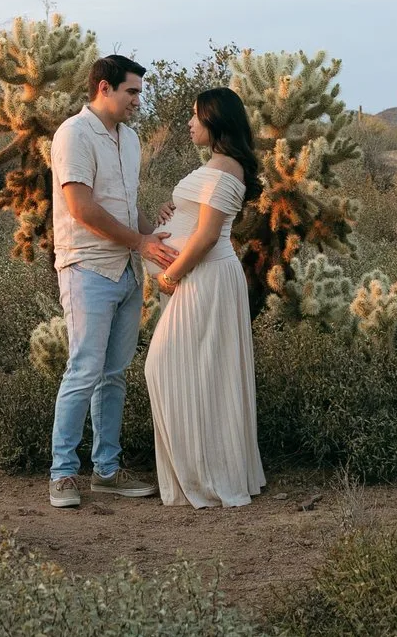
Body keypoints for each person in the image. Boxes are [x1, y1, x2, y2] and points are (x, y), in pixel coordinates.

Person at [47, 54, 173, 509]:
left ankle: (106, 470)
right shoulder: (74, 134)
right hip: (86, 267)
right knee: (83, 370)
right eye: (131, 92)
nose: (138, 101)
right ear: (104, 88)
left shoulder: (131, 139)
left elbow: (125, 204)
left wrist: (151, 240)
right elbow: (80, 206)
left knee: (114, 375)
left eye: (139, 92)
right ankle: (62, 474)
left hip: (126, 271)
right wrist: (139, 243)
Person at [143, 86, 267, 508]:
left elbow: (209, 235)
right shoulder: (218, 167)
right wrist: (172, 210)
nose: (189, 123)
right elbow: (198, 217)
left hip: (203, 279)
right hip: (201, 279)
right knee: (202, 371)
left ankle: (207, 475)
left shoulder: (225, 168)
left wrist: (170, 275)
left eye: (195, 115)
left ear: (214, 120)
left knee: (166, 366)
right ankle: (203, 469)